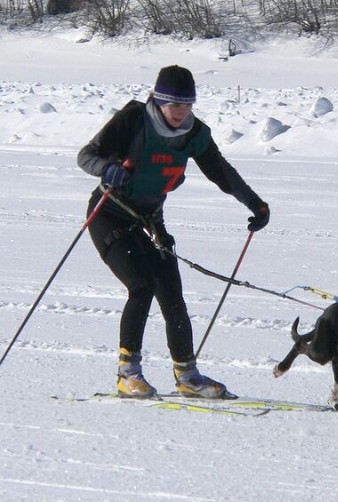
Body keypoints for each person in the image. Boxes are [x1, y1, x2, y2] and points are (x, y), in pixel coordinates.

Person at [78, 65, 270, 399]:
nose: (180, 113)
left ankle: (188, 376)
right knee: (141, 286)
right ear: (158, 100)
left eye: (186, 106)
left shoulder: (194, 134)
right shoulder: (134, 119)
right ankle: (128, 375)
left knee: (171, 292)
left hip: (149, 219)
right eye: (173, 105)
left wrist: (255, 204)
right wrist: (108, 169)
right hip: (109, 213)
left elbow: (221, 172)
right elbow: (86, 156)